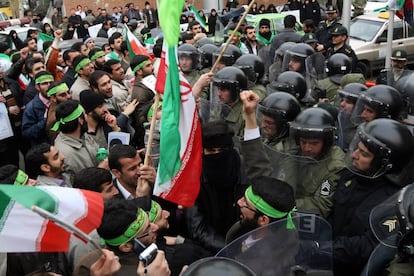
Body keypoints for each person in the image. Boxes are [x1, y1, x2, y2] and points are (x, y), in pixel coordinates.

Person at [239, 91, 345, 218]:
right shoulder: (292, 150)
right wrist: (250, 116)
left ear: (326, 142)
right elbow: (262, 169)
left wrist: (282, 205)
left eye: (314, 143)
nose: (307, 148)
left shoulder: (335, 165)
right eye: (303, 142)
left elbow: (321, 205)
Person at [329, 118, 414, 276]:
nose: (354, 155)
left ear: (383, 164)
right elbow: (330, 208)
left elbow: (367, 246)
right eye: (357, 148)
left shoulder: (396, 202)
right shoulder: (351, 176)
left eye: (364, 154)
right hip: (328, 261)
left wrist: (322, 247)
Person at [185, 120, 248, 253]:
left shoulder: (245, 169)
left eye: (222, 150)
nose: (217, 155)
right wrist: (228, 248)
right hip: (213, 250)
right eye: (211, 150)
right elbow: (198, 228)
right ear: (203, 151)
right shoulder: (193, 177)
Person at [53, 100, 100, 182]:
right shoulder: (66, 154)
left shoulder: (83, 135)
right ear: (80, 120)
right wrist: (101, 169)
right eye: (85, 114)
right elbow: (82, 183)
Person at [212, 66, 248, 137]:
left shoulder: (245, 114)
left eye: (223, 90)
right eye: (218, 89)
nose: (218, 94)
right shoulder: (220, 106)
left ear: (236, 91)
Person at [22, 71, 54, 146]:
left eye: (51, 82)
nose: (49, 86)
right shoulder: (31, 108)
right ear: (37, 87)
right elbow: (27, 133)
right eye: (44, 83)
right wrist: (45, 121)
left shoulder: (59, 100)